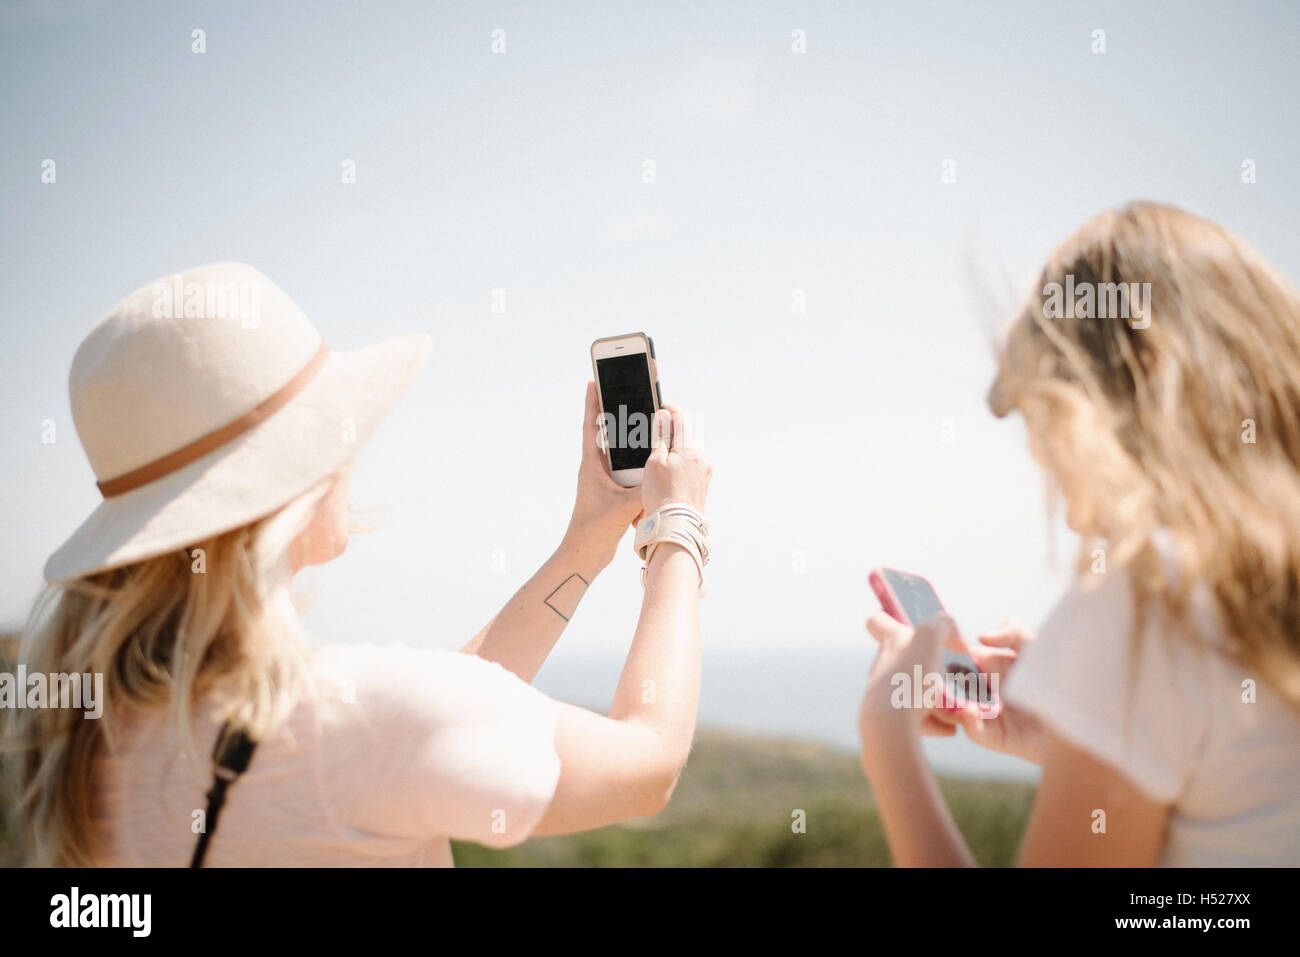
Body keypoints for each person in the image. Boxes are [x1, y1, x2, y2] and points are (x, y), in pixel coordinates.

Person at [8, 262, 712, 866]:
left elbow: (456, 695)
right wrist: (676, 525)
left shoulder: (92, 741)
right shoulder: (349, 728)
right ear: (296, 479)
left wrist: (587, 539)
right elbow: (648, 762)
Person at [858, 202, 1300, 866]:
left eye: (1044, 432)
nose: (1063, 503)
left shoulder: (1146, 607)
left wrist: (887, 742)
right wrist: (1084, 734)